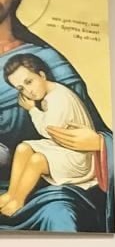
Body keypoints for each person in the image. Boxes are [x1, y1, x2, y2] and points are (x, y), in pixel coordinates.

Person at [0, 0, 114, 233]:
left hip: (45, 183)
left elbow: (95, 130)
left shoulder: (48, 62)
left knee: (61, 214)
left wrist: (99, 143)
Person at [0, 54, 97, 215]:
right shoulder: (51, 94)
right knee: (23, 148)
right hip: (62, 147)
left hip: (79, 157)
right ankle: (11, 194)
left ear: (42, 75)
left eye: (29, 82)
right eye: (21, 89)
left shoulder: (58, 98)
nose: (28, 91)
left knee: (37, 160)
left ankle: (18, 201)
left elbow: (48, 131)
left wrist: (32, 109)